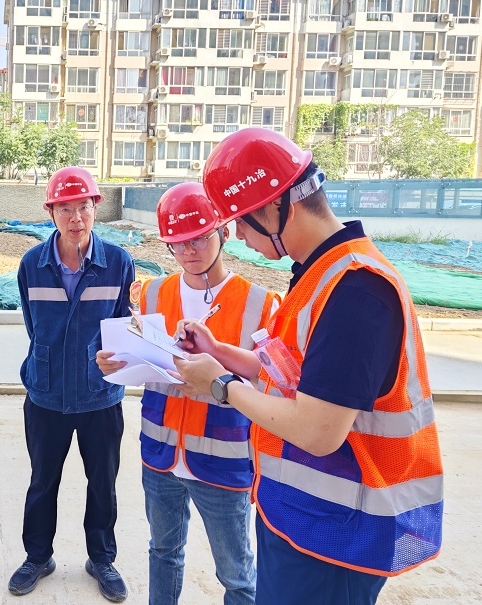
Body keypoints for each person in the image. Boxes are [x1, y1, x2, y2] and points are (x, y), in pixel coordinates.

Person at [172, 128, 444, 605]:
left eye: (241, 221)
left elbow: (319, 432)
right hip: (304, 517)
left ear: (278, 207)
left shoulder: (356, 291)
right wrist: (221, 352)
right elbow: (293, 377)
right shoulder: (320, 272)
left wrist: (221, 386)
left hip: (338, 536)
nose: (237, 236)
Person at [97, 183, 278, 605]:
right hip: (160, 455)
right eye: (177, 242)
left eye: (198, 238)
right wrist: (114, 364)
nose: (188, 250)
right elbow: (144, 362)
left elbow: (271, 384)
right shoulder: (152, 294)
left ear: (224, 233)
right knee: (163, 553)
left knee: (237, 576)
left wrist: (219, 374)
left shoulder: (259, 303)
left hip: (223, 462)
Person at [9, 166, 136, 602]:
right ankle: (37, 557)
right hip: (45, 394)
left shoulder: (118, 263)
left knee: (103, 482)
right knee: (42, 481)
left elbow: (121, 327)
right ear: (51, 212)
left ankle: (101, 559)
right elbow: (34, 326)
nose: (75, 217)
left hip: (100, 395)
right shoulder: (32, 264)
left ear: (96, 207)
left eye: (83, 206)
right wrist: (48, 363)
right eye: (64, 208)